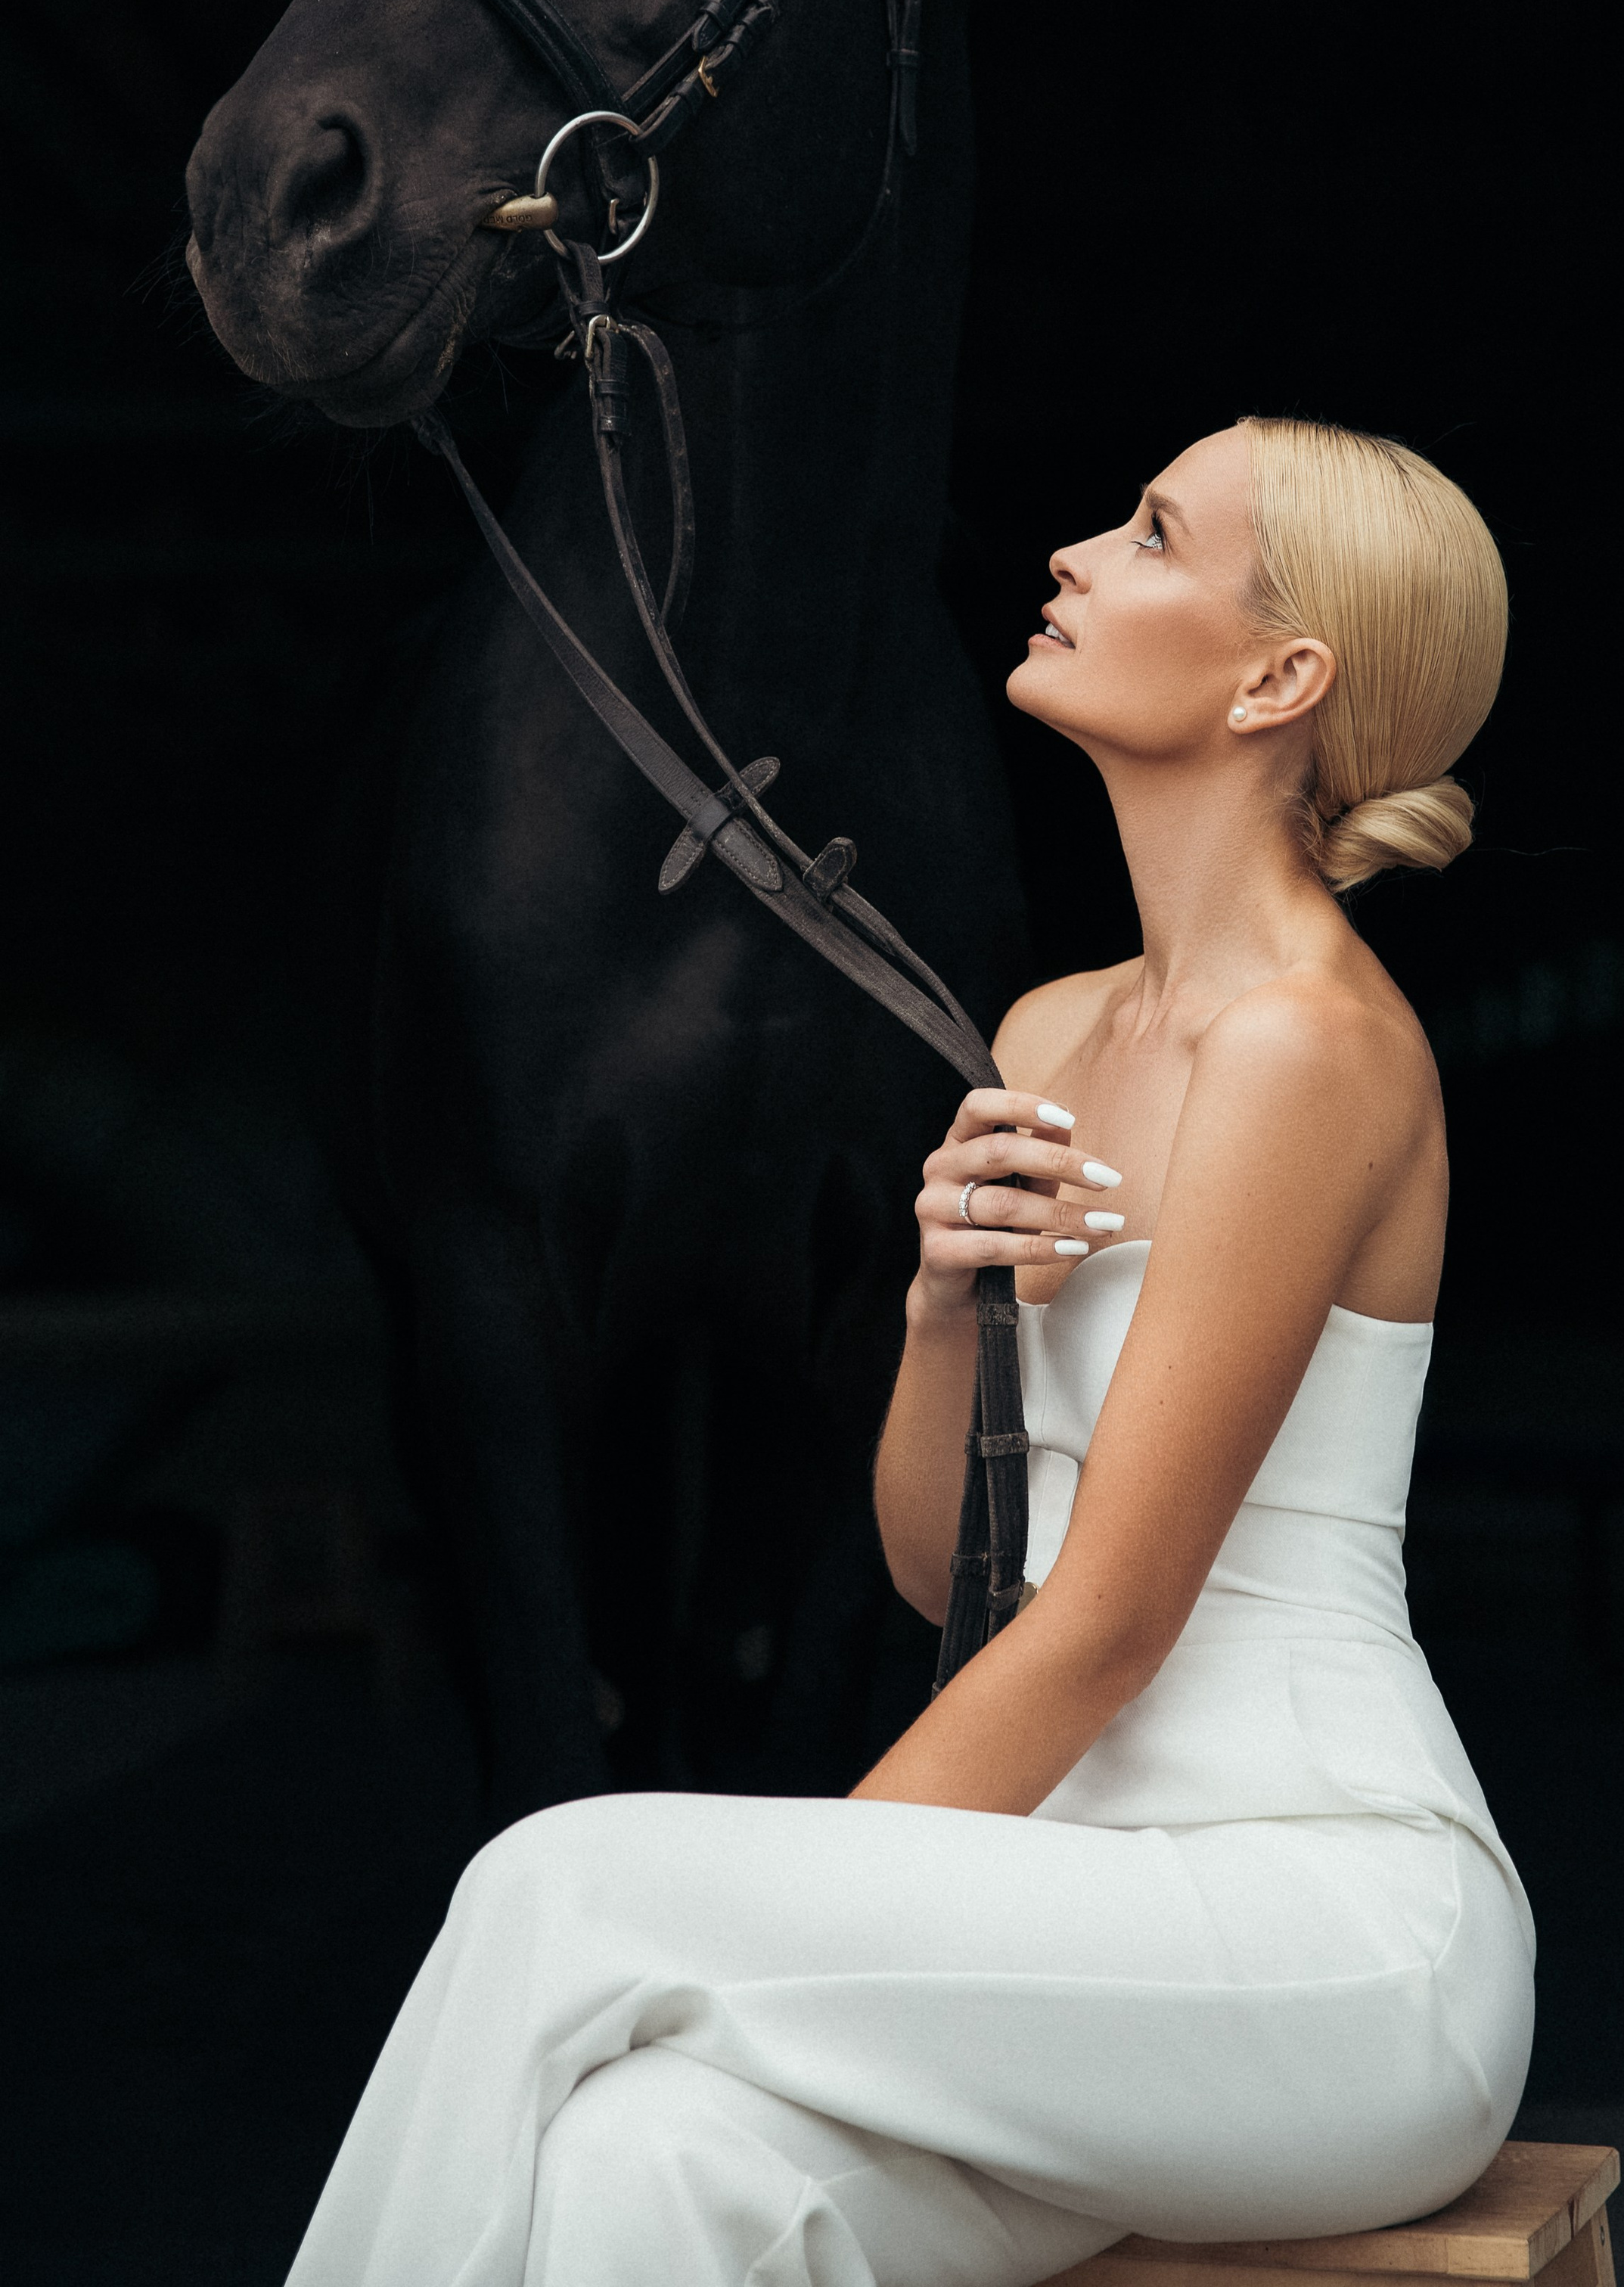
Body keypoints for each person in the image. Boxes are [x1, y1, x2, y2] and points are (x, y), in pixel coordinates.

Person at [286, 415, 1532, 2287]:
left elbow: (1106, 1629)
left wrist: (826, 1909)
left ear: (1280, 677)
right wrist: (939, 1306)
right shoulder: (1044, 1034)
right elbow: (940, 1573)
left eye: (1149, 532)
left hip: (1322, 1933)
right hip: (1074, 1927)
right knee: (653, 2161)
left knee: (560, 1885)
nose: (1077, 554)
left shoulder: (1304, 1049)